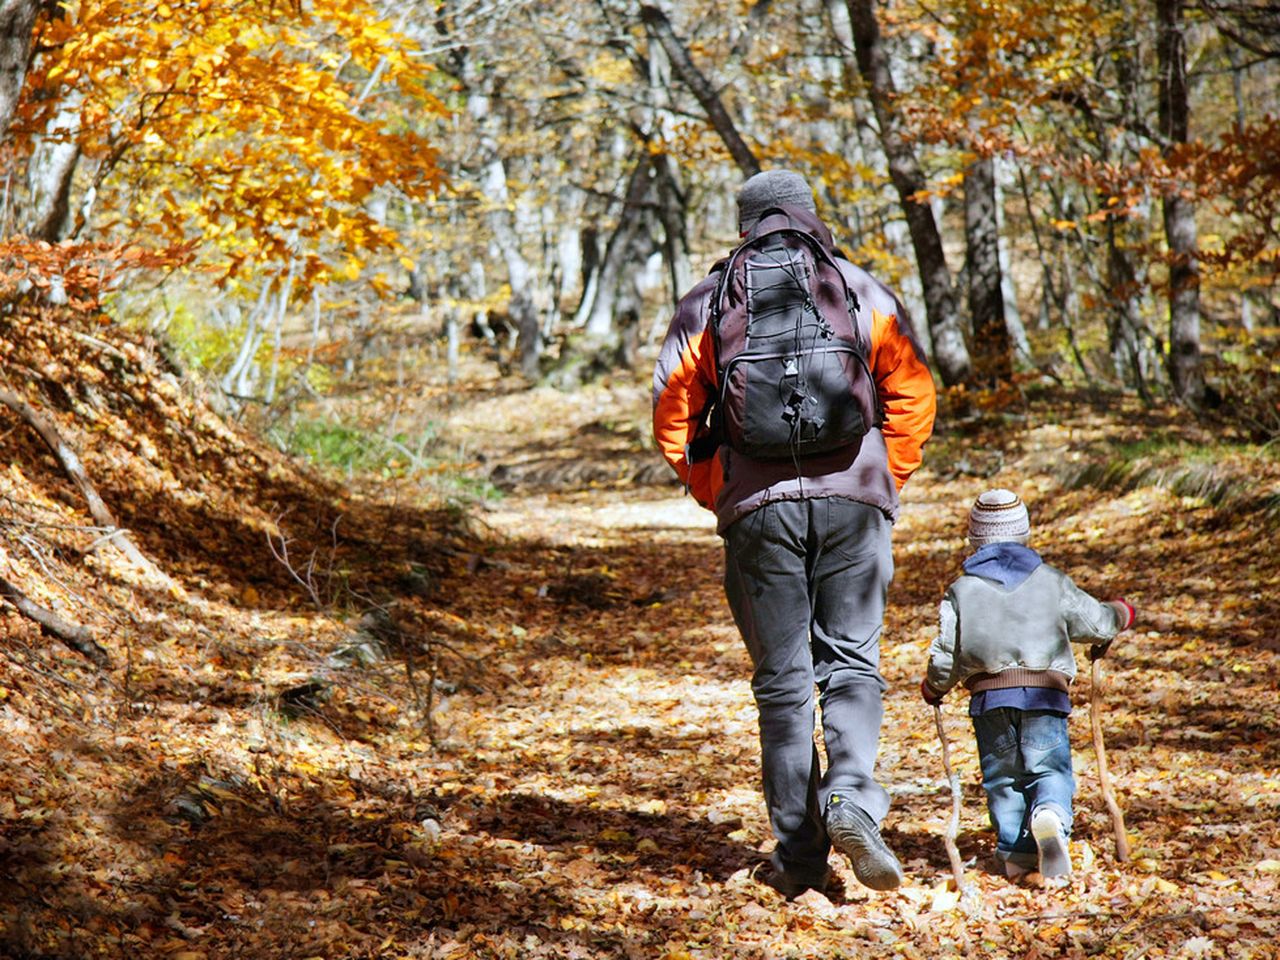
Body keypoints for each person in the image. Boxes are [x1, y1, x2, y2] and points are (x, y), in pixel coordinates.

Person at [652, 169, 936, 896]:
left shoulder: (711, 299)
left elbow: (672, 409)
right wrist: (882, 478)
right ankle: (850, 797)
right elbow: (911, 390)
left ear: (744, 225)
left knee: (782, 688)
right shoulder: (856, 287)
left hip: (757, 509)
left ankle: (801, 861)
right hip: (854, 504)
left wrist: (717, 487)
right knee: (852, 665)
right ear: (812, 216)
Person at [920, 489, 1135, 879]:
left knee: (1003, 777)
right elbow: (1094, 623)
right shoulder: (1051, 582)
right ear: (1024, 533)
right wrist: (1120, 613)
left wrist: (934, 687)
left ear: (975, 538)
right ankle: (1050, 814)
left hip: (989, 699)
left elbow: (946, 653)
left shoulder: (962, 590)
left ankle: (1016, 856)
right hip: (1044, 695)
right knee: (1048, 769)